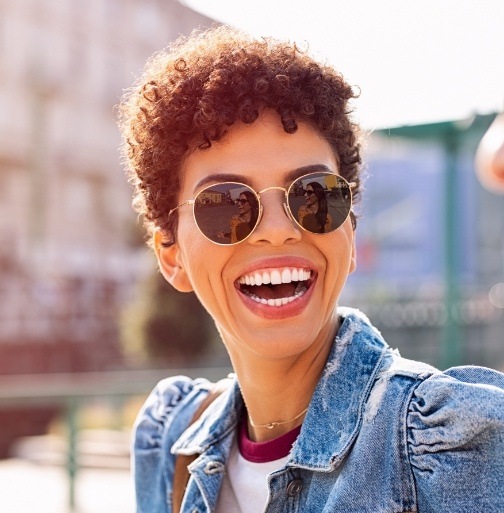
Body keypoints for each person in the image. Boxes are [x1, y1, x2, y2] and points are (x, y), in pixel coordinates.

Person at [119, 26, 504, 513]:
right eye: (227, 203)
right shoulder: (168, 442)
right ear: (171, 254)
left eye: (315, 194)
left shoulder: (460, 447)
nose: (279, 231)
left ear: (350, 226)